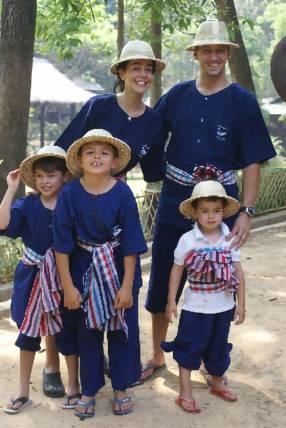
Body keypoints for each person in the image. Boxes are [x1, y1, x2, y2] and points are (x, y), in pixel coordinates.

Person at [141, 18, 276, 381]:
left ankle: (209, 359)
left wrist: (246, 211)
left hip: (222, 205)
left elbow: (251, 161)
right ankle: (156, 356)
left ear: (228, 55)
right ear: (196, 54)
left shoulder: (242, 102)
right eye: (207, 50)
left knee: (218, 281)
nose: (214, 56)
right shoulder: (177, 96)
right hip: (175, 199)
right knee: (163, 281)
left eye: (220, 50)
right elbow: (149, 133)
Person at [54, 39, 165, 404]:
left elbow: (155, 170)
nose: (142, 74)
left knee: (121, 308)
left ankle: (120, 380)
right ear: (120, 72)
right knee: (67, 300)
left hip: (114, 212)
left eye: (148, 68)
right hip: (75, 207)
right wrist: (53, 201)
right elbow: (64, 151)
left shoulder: (153, 122)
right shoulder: (98, 106)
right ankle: (59, 369)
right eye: (135, 67)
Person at [53, 129, 147, 419]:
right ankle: (89, 389)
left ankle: (121, 387)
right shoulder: (69, 193)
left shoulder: (122, 193)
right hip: (83, 270)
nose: (97, 157)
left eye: (104, 152)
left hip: (118, 267)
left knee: (122, 329)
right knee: (88, 332)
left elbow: (131, 243)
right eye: (90, 152)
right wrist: (68, 287)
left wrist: (127, 286)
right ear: (79, 160)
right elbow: (61, 245)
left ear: (114, 160)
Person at [161, 180, 245, 413]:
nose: (211, 216)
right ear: (195, 213)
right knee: (189, 347)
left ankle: (217, 382)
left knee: (218, 347)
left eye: (216, 211)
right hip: (196, 308)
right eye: (205, 211)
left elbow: (238, 272)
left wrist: (241, 305)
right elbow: (176, 270)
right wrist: (171, 302)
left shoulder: (229, 239)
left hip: (224, 306)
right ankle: (185, 392)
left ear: (223, 212)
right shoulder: (188, 240)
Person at [1, 146, 69, 414]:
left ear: (65, 176)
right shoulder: (27, 204)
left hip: (62, 276)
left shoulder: (70, 203)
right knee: (28, 331)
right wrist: (10, 188)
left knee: (65, 328)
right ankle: (22, 392)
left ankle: (74, 387)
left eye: (51, 175)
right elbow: (3, 223)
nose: (45, 181)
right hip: (31, 277)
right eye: (39, 176)